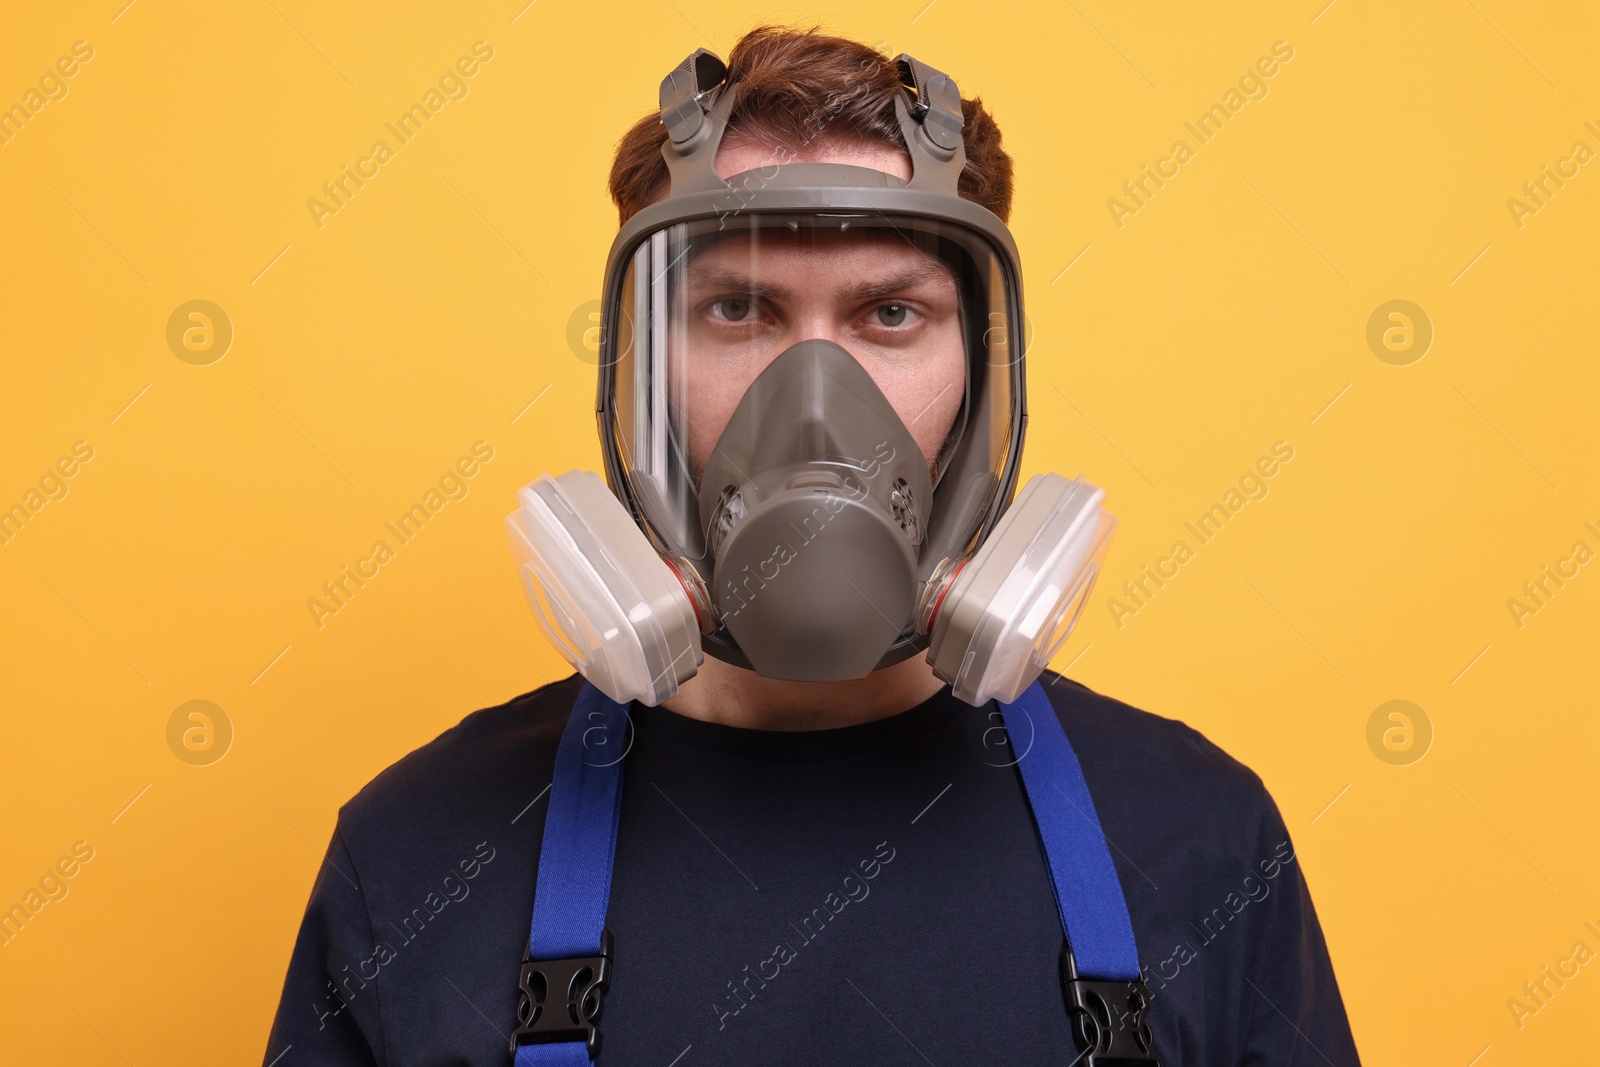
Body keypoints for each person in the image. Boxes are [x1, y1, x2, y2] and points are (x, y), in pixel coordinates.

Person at [262, 25, 1361, 1066]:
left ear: (983, 372)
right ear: (638, 367)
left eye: (892, 314)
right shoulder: (417, 853)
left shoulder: (1199, 837)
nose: (817, 404)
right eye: (737, 310)